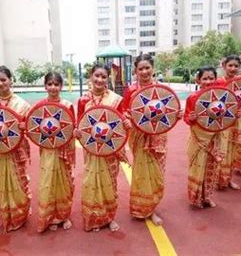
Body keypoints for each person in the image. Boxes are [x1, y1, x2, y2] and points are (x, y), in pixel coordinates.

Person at [121, 53, 182, 225]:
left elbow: (170, 112)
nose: (144, 71)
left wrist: (177, 115)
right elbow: (125, 111)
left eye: (147, 67)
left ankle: (152, 208)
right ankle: (141, 209)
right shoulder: (131, 90)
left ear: (153, 69)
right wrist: (126, 119)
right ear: (135, 71)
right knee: (142, 174)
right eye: (141, 68)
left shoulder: (162, 90)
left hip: (158, 137)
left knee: (156, 175)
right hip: (139, 137)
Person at [75, 63, 129, 232]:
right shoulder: (83, 100)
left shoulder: (115, 99)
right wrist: (77, 131)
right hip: (92, 149)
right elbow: (79, 123)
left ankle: (109, 217)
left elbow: (121, 122)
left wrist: (126, 123)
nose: (99, 79)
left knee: (109, 183)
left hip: (110, 149)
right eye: (96, 76)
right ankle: (94, 218)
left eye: (103, 77)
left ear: (108, 79)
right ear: (91, 76)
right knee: (92, 181)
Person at [0, 66, 32, 232]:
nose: (1, 83)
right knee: (2, 181)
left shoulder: (22, 104)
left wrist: (24, 126)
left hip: (16, 148)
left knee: (18, 180)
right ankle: (7, 213)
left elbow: (31, 127)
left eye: (3, 79)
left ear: (11, 80)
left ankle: (20, 213)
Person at [36, 72, 75, 232]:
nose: (53, 87)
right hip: (47, 150)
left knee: (63, 183)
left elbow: (72, 128)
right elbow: (34, 128)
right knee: (48, 182)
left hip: (62, 150)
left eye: (56, 84)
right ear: (45, 86)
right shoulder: (39, 106)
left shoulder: (67, 105)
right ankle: (51, 216)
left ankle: (64, 216)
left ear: (61, 86)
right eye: (50, 84)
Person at [184, 66, 225, 208]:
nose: (208, 81)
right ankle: (195, 198)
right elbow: (186, 119)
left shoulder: (222, 96)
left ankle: (207, 196)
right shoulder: (192, 98)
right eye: (205, 78)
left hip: (214, 137)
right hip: (198, 138)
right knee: (197, 167)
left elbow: (227, 117)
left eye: (211, 78)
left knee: (211, 168)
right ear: (198, 80)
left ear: (216, 79)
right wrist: (191, 118)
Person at [216, 55, 241, 190]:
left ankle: (228, 178)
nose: (233, 68)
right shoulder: (218, 82)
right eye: (230, 65)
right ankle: (218, 179)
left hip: (238, 120)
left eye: (236, 66)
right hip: (222, 121)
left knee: (233, 149)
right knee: (222, 149)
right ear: (224, 66)